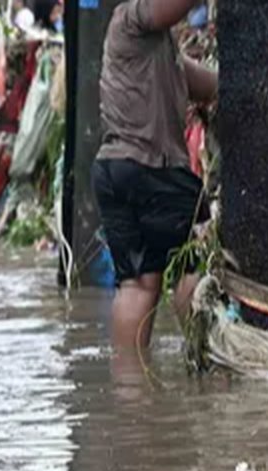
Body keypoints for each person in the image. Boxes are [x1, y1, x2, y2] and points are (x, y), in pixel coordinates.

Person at [91, 0, 216, 353]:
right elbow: (171, 8)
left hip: (115, 172)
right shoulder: (132, 17)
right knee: (201, 259)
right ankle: (202, 361)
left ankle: (131, 394)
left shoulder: (158, 49)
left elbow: (208, 85)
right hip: (153, 172)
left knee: (138, 285)